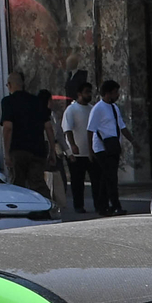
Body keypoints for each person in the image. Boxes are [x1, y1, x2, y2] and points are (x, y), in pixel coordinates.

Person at [0, 71, 49, 191]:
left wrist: (6, 153)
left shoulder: (8, 102)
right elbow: (48, 127)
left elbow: (8, 128)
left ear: (9, 85)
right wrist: (51, 150)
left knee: (17, 185)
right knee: (38, 184)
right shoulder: (37, 101)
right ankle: (45, 208)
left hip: (18, 149)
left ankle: (21, 209)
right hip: (38, 149)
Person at [88, 80, 128, 217]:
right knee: (110, 178)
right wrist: (90, 150)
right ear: (107, 93)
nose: (117, 95)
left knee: (107, 179)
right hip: (102, 148)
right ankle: (115, 205)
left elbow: (121, 126)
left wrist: (133, 141)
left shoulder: (114, 108)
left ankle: (103, 206)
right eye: (115, 92)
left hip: (113, 147)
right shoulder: (98, 108)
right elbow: (90, 129)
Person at [59, 78, 94, 214]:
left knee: (95, 179)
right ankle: (78, 205)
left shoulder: (92, 109)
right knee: (77, 182)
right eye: (86, 92)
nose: (89, 95)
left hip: (90, 151)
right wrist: (72, 146)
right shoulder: (71, 109)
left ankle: (99, 204)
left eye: (90, 92)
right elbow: (67, 129)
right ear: (79, 94)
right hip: (77, 153)